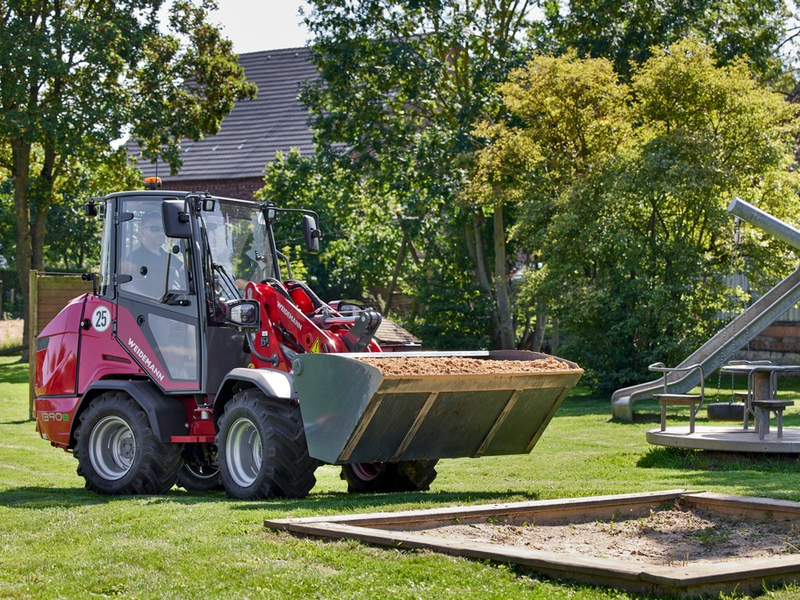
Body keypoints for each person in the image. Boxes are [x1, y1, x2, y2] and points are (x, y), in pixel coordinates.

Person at [126, 214, 170, 298]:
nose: (160, 233)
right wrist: (155, 301)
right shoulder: (134, 258)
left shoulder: (171, 259)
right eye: (155, 228)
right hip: (145, 304)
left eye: (163, 229)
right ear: (142, 232)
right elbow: (127, 287)